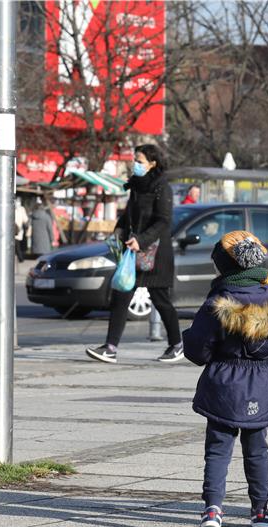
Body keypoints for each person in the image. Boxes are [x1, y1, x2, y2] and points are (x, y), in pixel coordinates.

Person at [183, 230, 268, 527]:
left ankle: (213, 510)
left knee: (217, 449)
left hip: (224, 383)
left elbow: (197, 350)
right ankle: (261, 511)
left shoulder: (218, 300)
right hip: (263, 383)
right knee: (257, 449)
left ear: (224, 267)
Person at [86, 144, 184, 364]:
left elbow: (163, 220)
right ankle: (110, 348)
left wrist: (142, 239)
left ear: (152, 164)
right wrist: (118, 233)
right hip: (133, 251)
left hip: (155, 254)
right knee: (121, 296)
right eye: (135, 160)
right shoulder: (136, 186)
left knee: (161, 300)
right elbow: (128, 215)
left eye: (139, 161)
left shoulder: (162, 187)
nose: (135, 164)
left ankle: (177, 344)